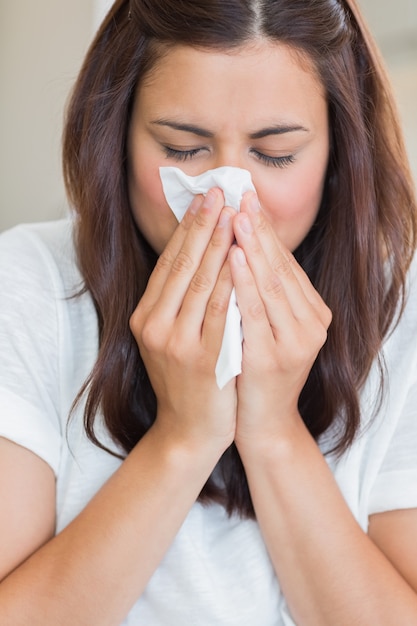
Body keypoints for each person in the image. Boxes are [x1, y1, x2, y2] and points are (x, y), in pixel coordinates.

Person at [1, 0, 417, 623]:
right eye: (182, 147)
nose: (226, 197)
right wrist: (183, 435)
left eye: (274, 154)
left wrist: (274, 432)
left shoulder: (401, 310)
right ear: (116, 134)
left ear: (338, 154)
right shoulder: (28, 283)